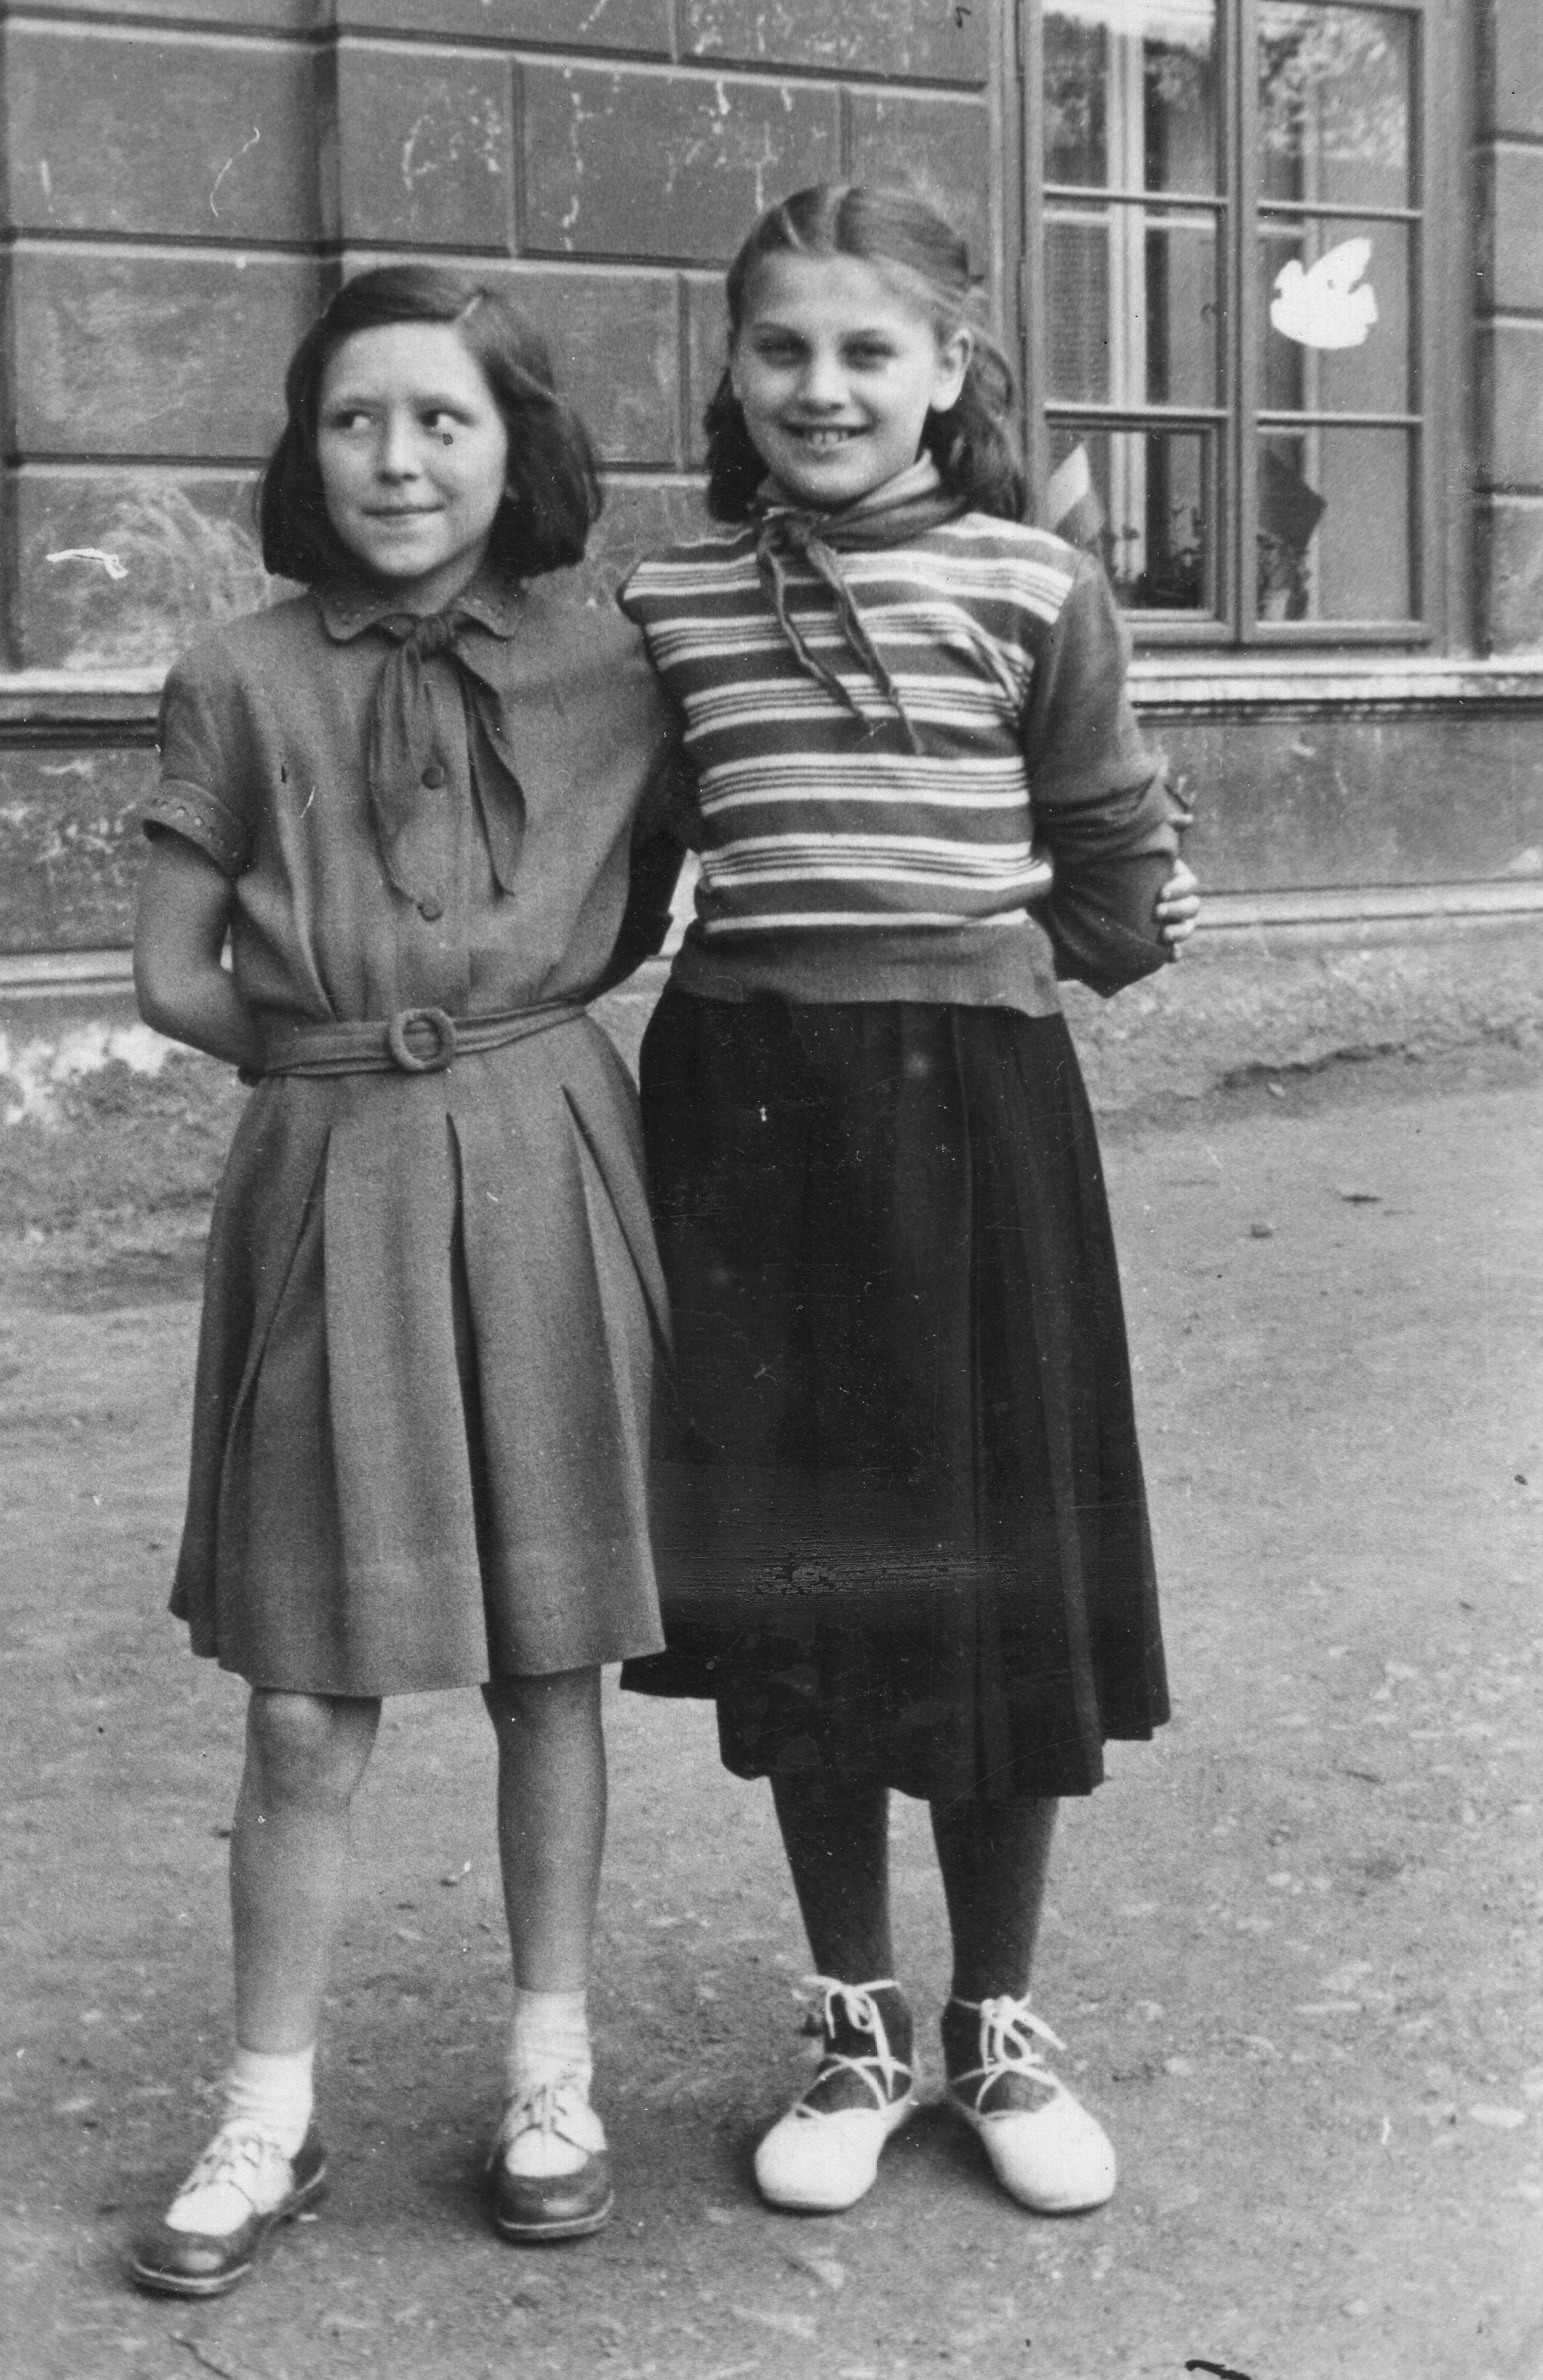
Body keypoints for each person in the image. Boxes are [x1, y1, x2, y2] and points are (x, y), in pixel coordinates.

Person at [617, 184, 1199, 2222]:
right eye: (782, 349)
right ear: (733, 369)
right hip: (746, 1125)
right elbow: (617, 874)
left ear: (950, 368)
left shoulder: (1038, 584)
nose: (823, 387)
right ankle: (854, 2017)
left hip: (974, 1120)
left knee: (991, 1569)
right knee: (809, 1576)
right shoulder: (670, 606)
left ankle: (998, 2023)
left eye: (869, 350)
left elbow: (1112, 854)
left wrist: (1068, 948)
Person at [126, 266, 688, 2294]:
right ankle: (266, 2110)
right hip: (331, 1169)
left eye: (444, 420)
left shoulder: (620, 663)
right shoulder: (239, 676)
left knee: (552, 1661)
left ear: (515, 447)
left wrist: (507, 1044)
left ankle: (552, 2074)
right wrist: (344, 1062)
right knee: (303, 1697)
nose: (396, 459)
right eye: (354, 419)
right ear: (307, 448)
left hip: (549, 1160)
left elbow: (654, 892)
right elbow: (172, 972)